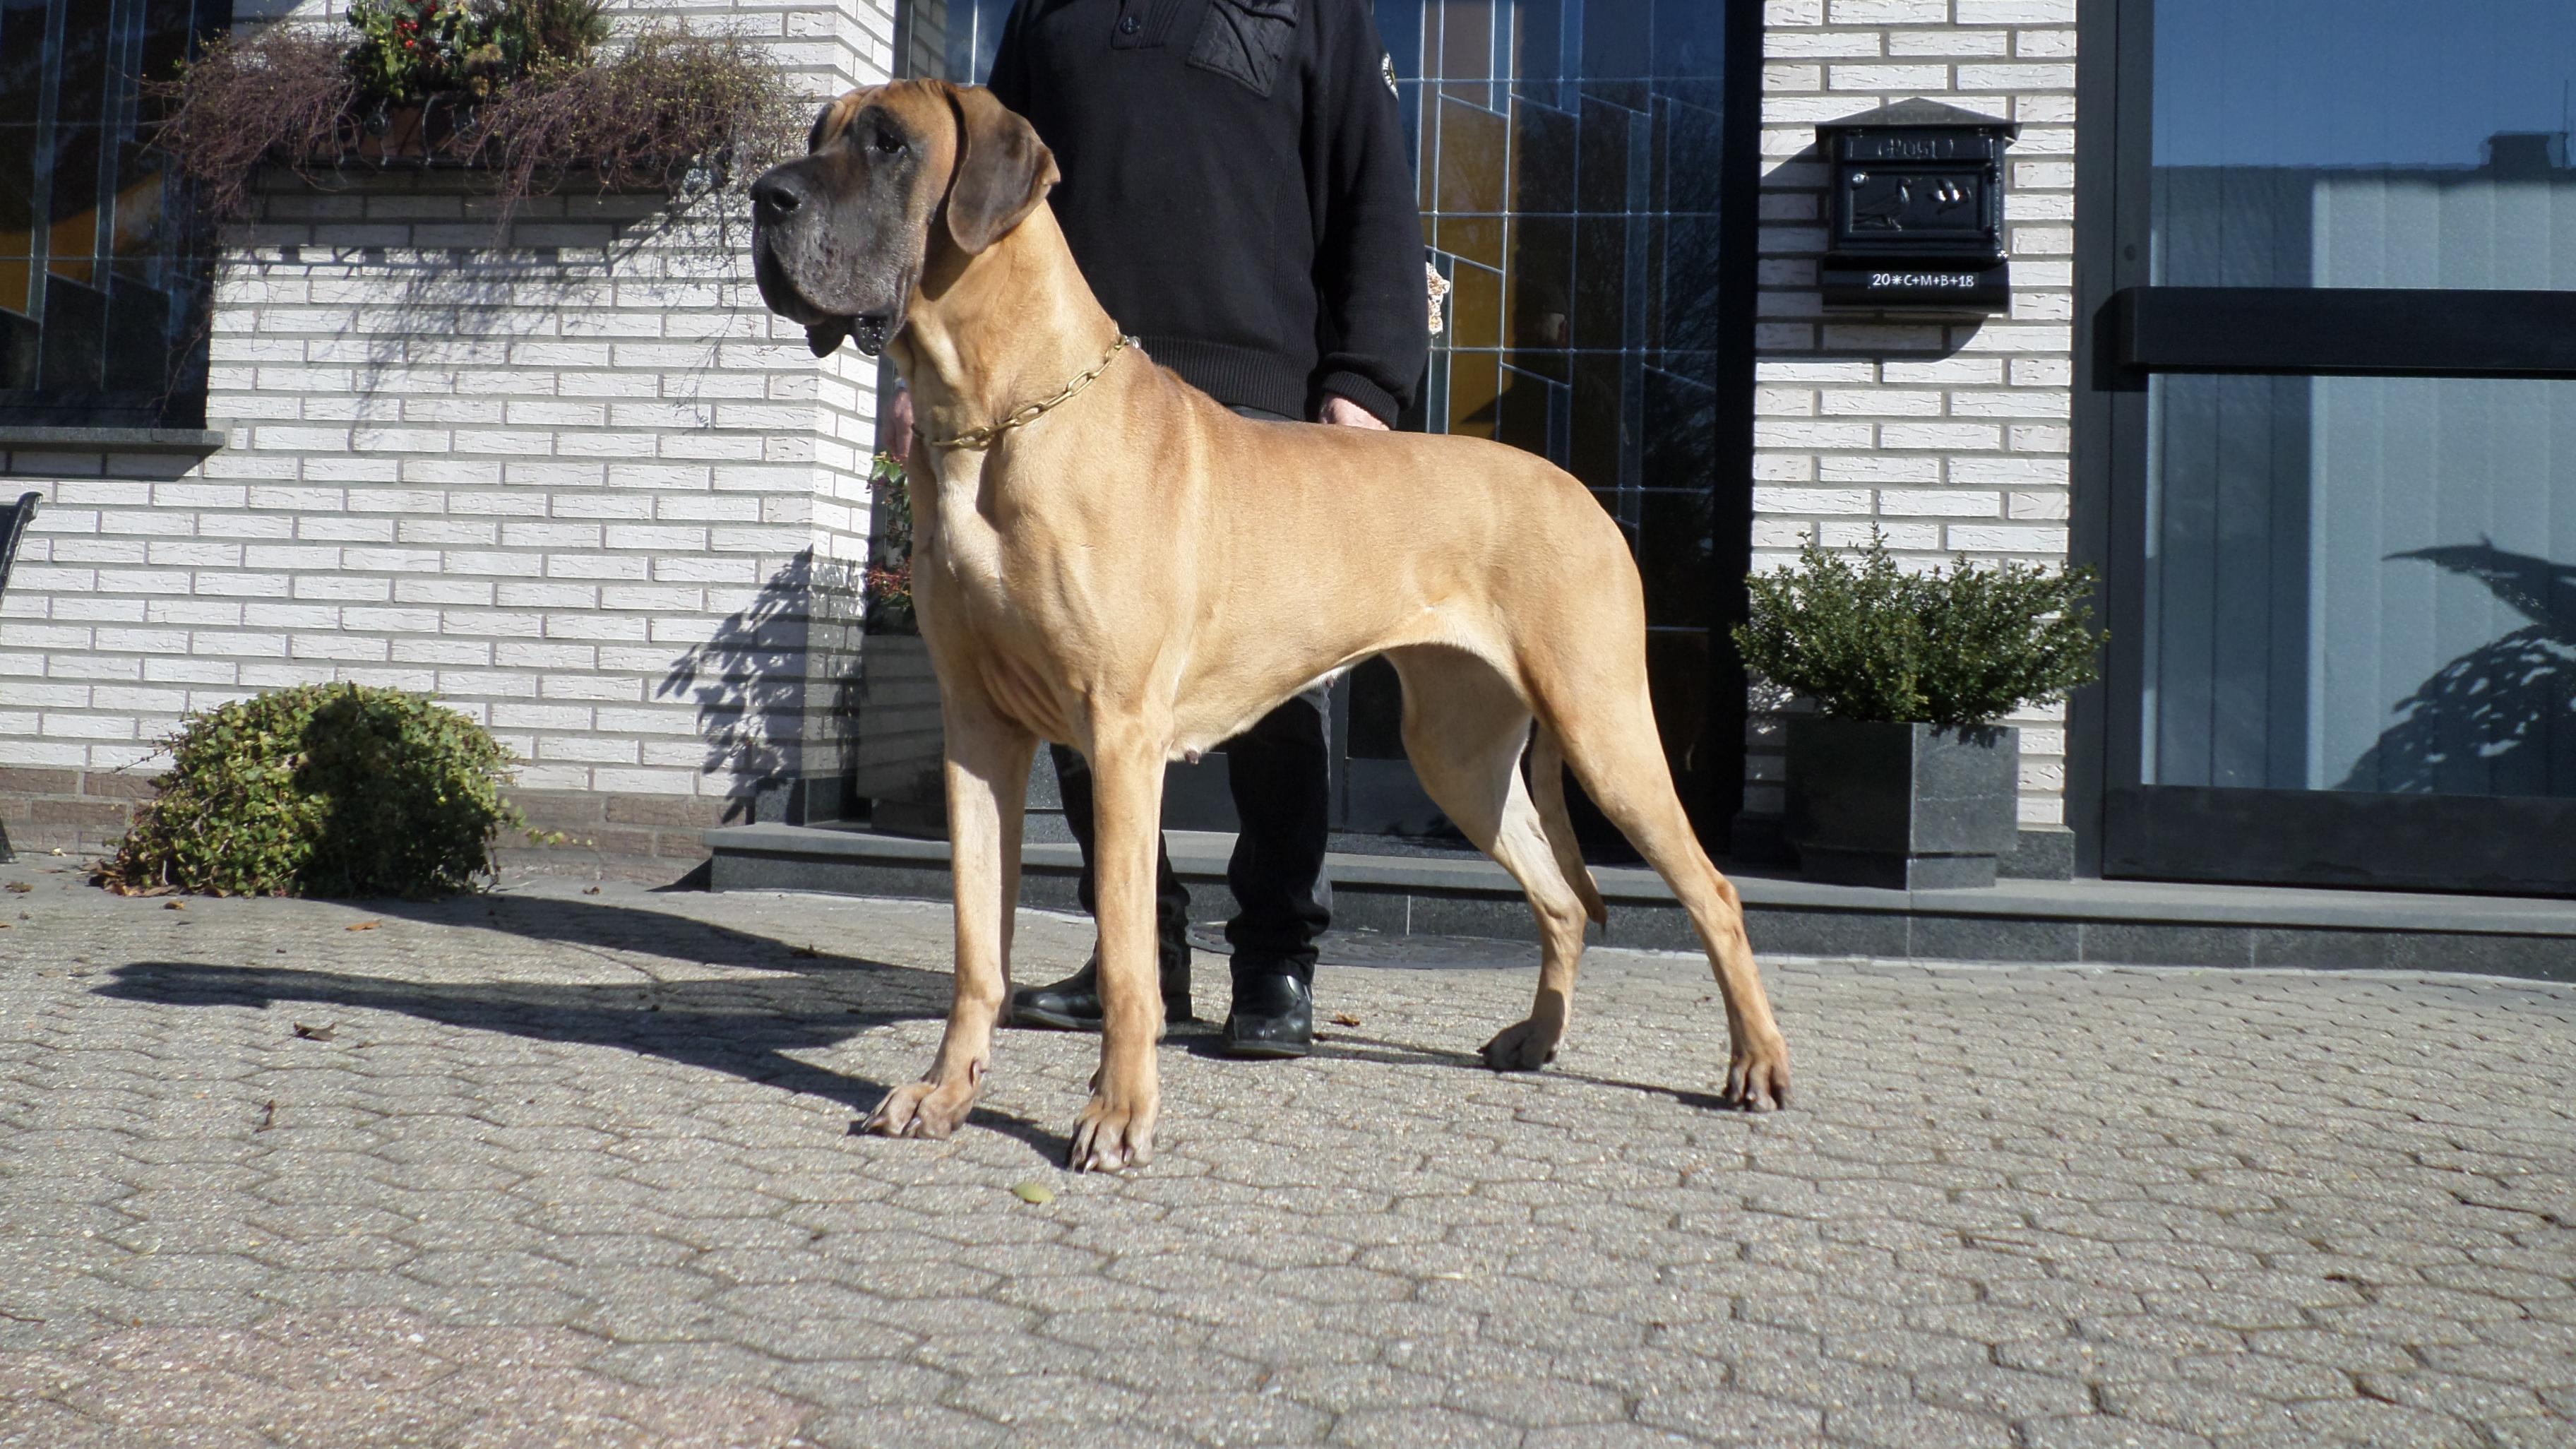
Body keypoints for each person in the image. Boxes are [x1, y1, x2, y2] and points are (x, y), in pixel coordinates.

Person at [980, 0, 1429, 1058]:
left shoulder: (1313, 7)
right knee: (1085, 699)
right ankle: (1140, 955)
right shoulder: (1049, 8)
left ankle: (1276, 958)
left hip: (1260, 404)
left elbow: (1373, 187)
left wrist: (1364, 381)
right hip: (1072, 403)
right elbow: (983, 192)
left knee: (1279, 705)